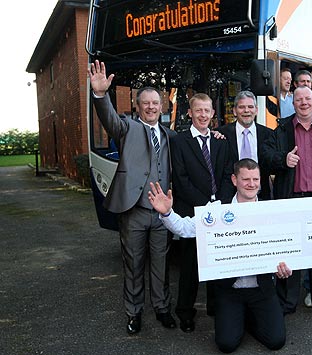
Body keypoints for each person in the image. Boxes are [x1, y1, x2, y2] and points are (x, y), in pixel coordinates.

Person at [148, 159, 292, 353]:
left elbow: (286, 249)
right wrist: (167, 213)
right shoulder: (217, 210)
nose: (251, 184)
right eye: (246, 179)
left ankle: (248, 317)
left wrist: (286, 267)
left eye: (255, 179)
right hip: (230, 291)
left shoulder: (272, 211)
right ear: (234, 180)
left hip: (262, 290)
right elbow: (185, 229)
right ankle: (240, 317)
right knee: (226, 344)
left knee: (276, 341)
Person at [87, 60, 177, 334]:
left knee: (161, 266)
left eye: (155, 103)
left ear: (162, 107)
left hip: (162, 214)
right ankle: (134, 313)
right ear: (138, 107)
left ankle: (162, 309)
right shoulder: (126, 128)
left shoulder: (170, 135)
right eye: (145, 103)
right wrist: (100, 95)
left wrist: (217, 135)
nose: (151, 107)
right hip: (134, 210)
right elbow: (109, 120)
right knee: (134, 264)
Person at [263, 86, 312, 320]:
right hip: (292, 200)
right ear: (294, 104)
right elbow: (265, 157)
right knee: (290, 252)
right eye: (299, 100)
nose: (304, 103)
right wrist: (282, 159)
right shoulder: (282, 128)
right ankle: (287, 302)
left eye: (308, 98)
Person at [170, 93, 235, 333]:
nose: (203, 115)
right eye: (198, 110)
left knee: (217, 263)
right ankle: (185, 312)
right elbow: (180, 178)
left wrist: (220, 203)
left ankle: (216, 308)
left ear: (212, 113)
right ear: (190, 112)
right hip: (192, 212)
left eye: (207, 111)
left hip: (219, 212)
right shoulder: (179, 141)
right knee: (190, 267)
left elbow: (229, 173)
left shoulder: (220, 141)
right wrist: (205, 205)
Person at [218, 91, 273, 200]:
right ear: (234, 111)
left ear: (256, 110)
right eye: (242, 107)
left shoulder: (269, 134)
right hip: (229, 196)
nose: (246, 111)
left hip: (261, 195)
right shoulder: (221, 134)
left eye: (250, 107)